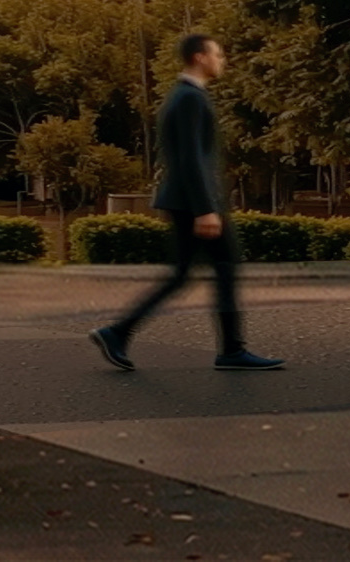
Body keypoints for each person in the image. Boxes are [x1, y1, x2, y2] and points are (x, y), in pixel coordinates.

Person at [87, 33, 282, 372]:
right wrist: (205, 209)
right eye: (217, 54)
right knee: (224, 268)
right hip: (193, 202)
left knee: (186, 275)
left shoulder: (184, 96)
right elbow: (190, 158)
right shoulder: (189, 98)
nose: (222, 60)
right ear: (199, 57)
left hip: (186, 199)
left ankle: (117, 333)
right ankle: (231, 351)